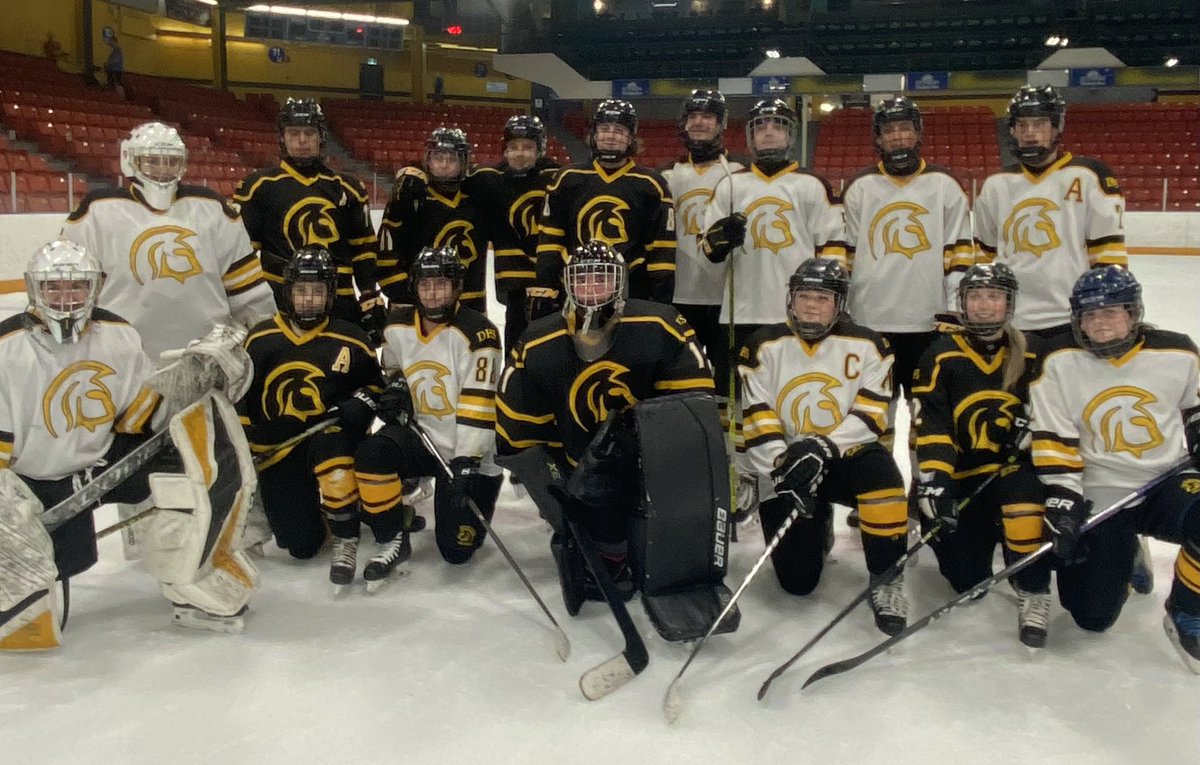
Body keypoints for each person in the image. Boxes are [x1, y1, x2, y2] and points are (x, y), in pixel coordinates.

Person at [0, 241, 255, 648]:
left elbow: (138, 417)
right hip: (34, 482)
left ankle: (193, 575)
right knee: (53, 569)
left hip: (102, 464)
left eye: (76, 288)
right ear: (35, 291)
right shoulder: (7, 348)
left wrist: (190, 379)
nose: (66, 299)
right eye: (54, 288)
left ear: (93, 289)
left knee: (187, 460)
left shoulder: (117, 334)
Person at [497, 241, 731, 639]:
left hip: (651, 465)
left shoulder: (660, 325)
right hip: (578, 470)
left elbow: (693, 412)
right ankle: (595, 534)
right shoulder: (537, 342)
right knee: (613, 575)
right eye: (583, 278)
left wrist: (639, 443)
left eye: (602, 278)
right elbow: (520, 440)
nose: (592, 287)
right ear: (567, 284)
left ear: (621, 284)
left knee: (660, 553)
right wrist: (564, 505)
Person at [1029, 265, 1200, 670]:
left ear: (1133, 312)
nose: (1099, 323)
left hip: (1164, 481)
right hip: (1099, 489)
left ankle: (1187, 610)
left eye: (1110, 312)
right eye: (1089, 315)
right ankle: (1127, 553)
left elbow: (1196, 406)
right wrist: (1063, 495)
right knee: (1091, 617)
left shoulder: (1177, 352)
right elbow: (1053, 437)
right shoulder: (1058, 362)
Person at [738, 258, 909, 635]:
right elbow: (757, 417)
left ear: (840, 303)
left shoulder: (870, 344)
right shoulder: (761, 345)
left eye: (822, 297)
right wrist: (783, 466)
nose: (812, 305)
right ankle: (819, 528)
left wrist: (822, 447)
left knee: (884, 478)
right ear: (790, 299)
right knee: (797, 582)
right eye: (804, 297)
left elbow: (871, 415)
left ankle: (887, 579)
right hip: (786, 464)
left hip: (845, 455)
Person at [910, 263, 1051, 647]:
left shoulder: (1037, 352)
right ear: (963, 303)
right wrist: (937, 484)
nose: (984, 306)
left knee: (1023, 502)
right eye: (975, 297)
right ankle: (989, 531)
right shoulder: (940, 355)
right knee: (967, 581)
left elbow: (1064, 409)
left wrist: (1037, 429)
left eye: (994, 296)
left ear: (1009, 303)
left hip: (1014, 473)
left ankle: (1035, 589)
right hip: (965, 475)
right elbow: (933, 425)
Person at [62, 122, 277, 361]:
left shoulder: (213, 209)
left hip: (207, 357)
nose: (163, 169)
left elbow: (248, 292)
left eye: (171, 161)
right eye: (153, 160)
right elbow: (74, 295)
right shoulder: (96, 211)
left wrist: (262, 341)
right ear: (130, 160)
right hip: (123, 359)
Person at [238, 247, 385, 584]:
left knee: (334, 458)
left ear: (330, 295)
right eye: (301, 291)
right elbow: (243, 400)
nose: (308, 300)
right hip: (279, 449)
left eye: (317, 292)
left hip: (332, 440)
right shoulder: (261, 339)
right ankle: (323, 513)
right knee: (301, 545)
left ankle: (358, 509)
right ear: (287, 293)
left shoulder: (351, 338)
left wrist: (362, 402)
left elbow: (378, 388)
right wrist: (248, 446)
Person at [354, 246, 503, 569]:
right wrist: (397, 390)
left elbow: (479, 404)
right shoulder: (397, 326)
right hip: (422, 438)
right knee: (372, 454)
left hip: (468, 454)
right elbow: (395, 371)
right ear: (415, 288)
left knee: (456, 551)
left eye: (441, 285)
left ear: (457, 287)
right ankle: (393, 533)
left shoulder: (480, 333)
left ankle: (477, 487)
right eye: (425, 285)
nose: (433, 294)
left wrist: (467, 461)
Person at [842, 96, 972, 445]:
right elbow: (846, 255)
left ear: (917, 134)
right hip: (871, 320)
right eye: (890, 130)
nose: (898, 137)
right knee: (872, 419)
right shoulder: (859, 187)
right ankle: (878, 490)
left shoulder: (945, 185)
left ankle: (924, 487)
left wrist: (954, 310)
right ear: (878, 138)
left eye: (905, 128)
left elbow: (960, 254)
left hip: (927, 323)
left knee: (924, 417)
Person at [701, 97, 846, 404]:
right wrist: (720, 240)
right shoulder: (730, 184)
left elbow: (833, 251)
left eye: (777, 125)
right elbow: (708, 252)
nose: (768, 132)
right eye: (760, 126)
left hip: (796, 315)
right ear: (750, 135)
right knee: (737, 400)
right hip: (740, 314)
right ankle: (738, 455)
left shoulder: (811, 184)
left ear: (790, 135)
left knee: (790, 395)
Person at [973, 85, 1128, 339]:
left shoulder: (1090, 175)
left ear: (1056, 127)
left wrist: (1105, 310)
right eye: (1022, 125)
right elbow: (985, 257)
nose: (1030, 133)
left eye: (1040, 124)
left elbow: (1109, 256)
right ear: (1012, 130)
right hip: (1012, 321)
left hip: (1073, 316)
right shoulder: (995, 184)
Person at [233, 98, 385, 344]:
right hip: (279, 303)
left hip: (340, 302)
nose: (302, 140)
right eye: (294, 133)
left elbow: (364, 250)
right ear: (282, 138)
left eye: (309, 133)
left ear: (321, 137)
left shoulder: (350, 187)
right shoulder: (257, 187)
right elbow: (242, 254)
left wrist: (369, 295)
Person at [531, 100, 676, 320]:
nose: (610, 136)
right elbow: (550, 242)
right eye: (604, 129)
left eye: (619, 130)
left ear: (631, 138)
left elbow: (662, 250)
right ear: (593, 134)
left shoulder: (651, 184)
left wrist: (660, 300)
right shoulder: (567, 178)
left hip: (633, 292)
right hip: (576, 288)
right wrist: (546, 288)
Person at [662, 89, 744, 384]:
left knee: (726, 383)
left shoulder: (740, 173)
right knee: (680, 380)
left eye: (708, 116)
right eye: (693, 116)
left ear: (721, 124)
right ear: (683, 123)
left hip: (726, 297)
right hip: (678, 295)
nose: (699, 122)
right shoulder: (665, 175)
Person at [464, 115, 560, 352]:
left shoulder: (558, 179)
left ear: (540, 150)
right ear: (504, 150)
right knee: (515, 350)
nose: (520, 153)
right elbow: (446, 177)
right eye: (513, 147)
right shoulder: (489, 180)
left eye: (527, 147)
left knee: (551, 347)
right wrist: (414, 169)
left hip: (554, 283)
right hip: (516, 286)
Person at [379, 127, 488, 314]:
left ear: (464, 163)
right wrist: (402, 294)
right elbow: (387, 249)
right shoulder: (412, 198)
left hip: (469, 305)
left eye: (452, 159)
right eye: (438, 158)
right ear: (428, 160)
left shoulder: (477, 197)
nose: (444, 165)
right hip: (419, 303)